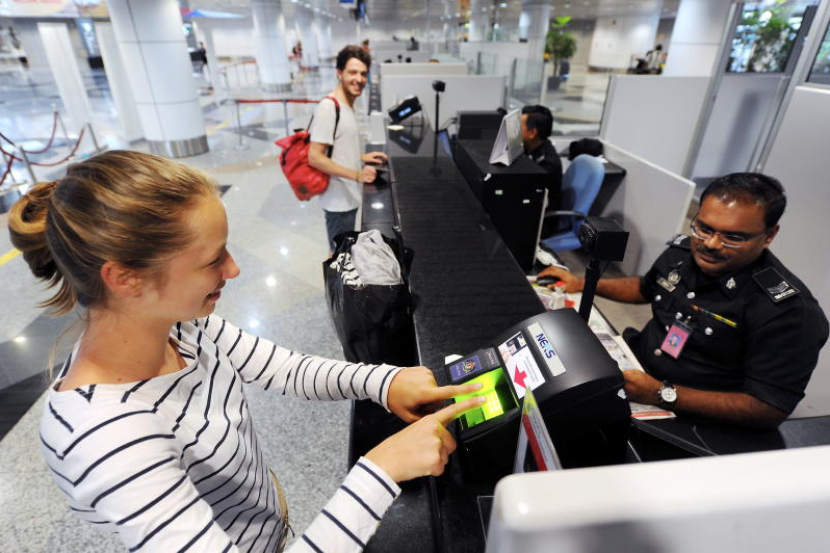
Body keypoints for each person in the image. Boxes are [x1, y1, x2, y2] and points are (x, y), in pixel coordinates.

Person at [9, 150, 484, 552]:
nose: (234, 269)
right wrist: (381, 470)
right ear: (125, 278)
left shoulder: (181, 325)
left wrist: (383, 381)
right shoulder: (105, 438)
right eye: (212, 258)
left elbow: (285, 369)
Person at [538, 173, 828, 428]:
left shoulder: (789, 312)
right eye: (704, 228)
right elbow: (644, 288)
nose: (710, 244)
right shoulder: (684, 252)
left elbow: (767, 408)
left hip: (692, 416)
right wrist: (583, 283)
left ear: (769, 235)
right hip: (639, 370)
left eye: (732, 237)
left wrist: (661, 394)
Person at [308, 45, 387, 252]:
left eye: (363, 74)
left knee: (343, 251)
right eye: (352, 72)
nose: (359, 79)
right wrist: (357, 175)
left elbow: (337, 148)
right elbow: (315, 157)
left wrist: (361, 156)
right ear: (339, 72)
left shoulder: (347, 105)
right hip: (338, 201)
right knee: (339, 256)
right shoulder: (328, 108)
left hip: (347, 195)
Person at [521, 105, 563, 211]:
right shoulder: (532, 147)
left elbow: (527, 192)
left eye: (519, 126)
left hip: (542, 216)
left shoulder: (547, 164)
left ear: (532, 133)